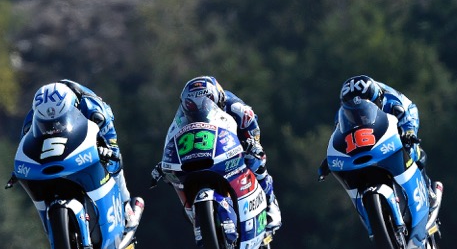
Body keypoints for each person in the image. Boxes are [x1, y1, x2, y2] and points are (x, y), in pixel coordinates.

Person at [151, 76, 282, 237]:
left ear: (217, 99)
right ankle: (194, 211)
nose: (198, 110)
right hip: (203, 150)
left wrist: (252, 142)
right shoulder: (180, 120)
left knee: (256, 159)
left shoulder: (236, 108)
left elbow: (252, 126)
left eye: (205, 104)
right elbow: (170, 142)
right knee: (176, 178)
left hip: (235, 139)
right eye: (192, 107)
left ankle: (270, 202)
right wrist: (164, 164)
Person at [21, 79, 143, 229]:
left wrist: (108, 149)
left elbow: (112, 143)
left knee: (114, 162)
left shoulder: (94, 110)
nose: (53, 128)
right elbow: (26, 147)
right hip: (53, 148)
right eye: (47, 125)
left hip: (85, 133)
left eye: (57, 123)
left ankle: (125, 204)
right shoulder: (32, 118)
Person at [329, 74, 443, 205]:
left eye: (365, 109)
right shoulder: (341, 116)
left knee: (412, 150)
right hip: (365, 139)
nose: (361, 115)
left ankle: (427, 188)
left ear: (378, 100)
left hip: (399, 123)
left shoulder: (392, 101)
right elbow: (339, 137)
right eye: (354, 112)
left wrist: (409, 133)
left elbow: (409, 116)